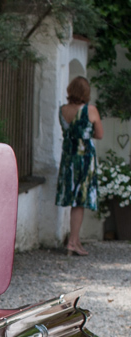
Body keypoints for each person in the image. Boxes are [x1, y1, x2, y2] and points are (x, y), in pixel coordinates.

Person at [56, 76, 104, 256]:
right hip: (84, 159)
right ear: (86, 93)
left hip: (68, 158)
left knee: (71, 199)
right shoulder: (90, 110)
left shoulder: (63, 110)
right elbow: (99, 134)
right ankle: (73, 242)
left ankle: (75, 240)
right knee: (80, 200)